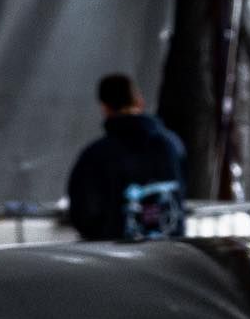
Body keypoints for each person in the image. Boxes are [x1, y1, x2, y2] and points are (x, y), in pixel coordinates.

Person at [66, 74, 187, 242]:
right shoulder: (173, 146)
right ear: (139, 101)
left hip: (119, 263)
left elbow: (83, 213)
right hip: (170, 260)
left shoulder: (95, 156)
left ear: (105, 108)